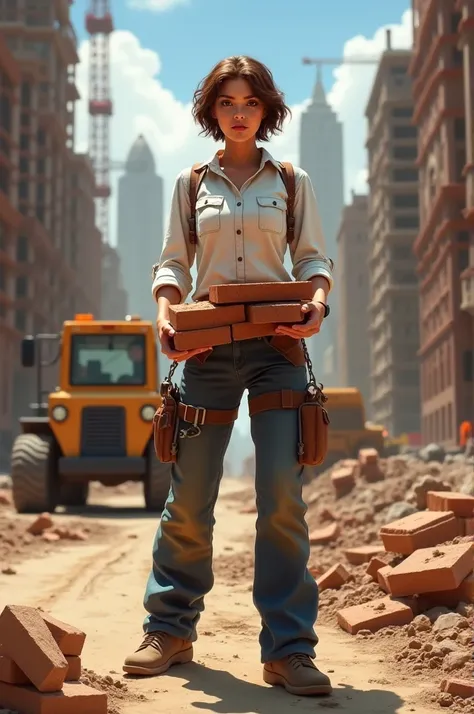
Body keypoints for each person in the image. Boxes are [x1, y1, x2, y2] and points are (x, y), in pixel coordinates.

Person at [123, 55, 334, 697]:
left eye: (249, 101)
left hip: (278, 348)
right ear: (211, 112)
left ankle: (289, 649)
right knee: (189, 495)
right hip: (207, 349)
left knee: (279, 492)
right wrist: (166, 318)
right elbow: (170, 265)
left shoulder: (291, 182)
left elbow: (315, 258)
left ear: (267, 109)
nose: (238, 112)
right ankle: (170, 628)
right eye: (226, 102)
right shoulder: (192, 186)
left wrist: (317, 307)